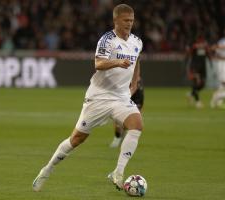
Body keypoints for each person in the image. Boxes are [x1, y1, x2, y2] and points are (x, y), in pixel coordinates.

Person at [32, 4, 143, 191]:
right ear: (116, 20)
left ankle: (118, 172)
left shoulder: (137, 41)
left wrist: (135, 80)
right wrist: (117, 62)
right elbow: (98, 63)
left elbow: (137, 59)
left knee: (137, 124)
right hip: (99, 97)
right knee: (76, 139)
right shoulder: (107, 40)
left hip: (121, 97)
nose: (129, 24)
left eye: (131, 21)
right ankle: (47, 169)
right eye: (125, 20)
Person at [110, 76, 144, 148]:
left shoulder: (134, 67)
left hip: (136, 93)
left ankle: (128, 139)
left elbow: (137, 77)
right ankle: (117, 137)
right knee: (118, 120)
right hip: (122, 91)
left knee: (135, 119)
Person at [186, 33, 211, 108]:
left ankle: (191, 94)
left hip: (203, 68)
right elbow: (189, 53)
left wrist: (211, 61)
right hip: (195, 67)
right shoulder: (193, 46)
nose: (201, 42)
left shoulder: (205, 46)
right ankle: (198, 102)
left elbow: (208, 54)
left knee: (202, 84)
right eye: (199, 40)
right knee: (196, 83)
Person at [210, 25, 225, 109]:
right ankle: (217, 99)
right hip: (223, 63)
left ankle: (218, 98)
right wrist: (223, 57)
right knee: (224, 82)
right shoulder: (222, 41)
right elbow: (215, 51)